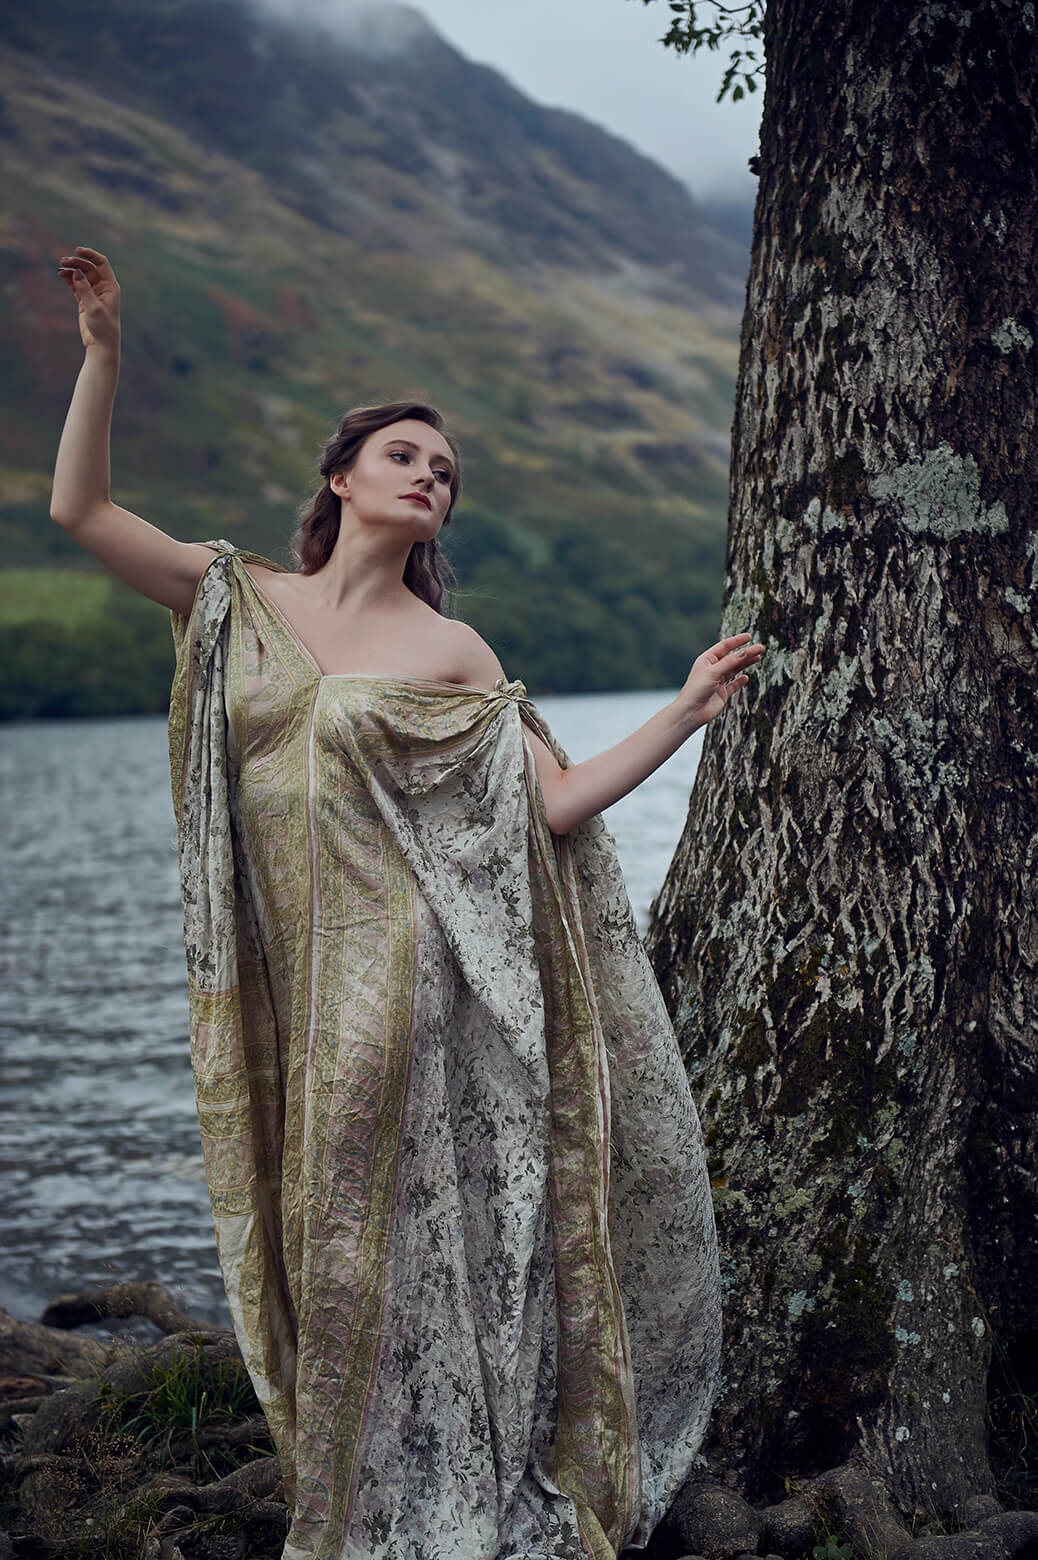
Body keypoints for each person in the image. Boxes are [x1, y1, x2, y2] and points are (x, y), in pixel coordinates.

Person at [52, 246, 764, 1560]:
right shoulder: (237, 601)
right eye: (404, 458)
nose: (429, 477)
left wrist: (681, 712)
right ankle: (368, 1472)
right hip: (280, 978)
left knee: (373, 1233)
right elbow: (83, 516)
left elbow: (549, 807)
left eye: (444, 471)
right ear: (340, 480)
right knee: (314, 1224)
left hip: (407, 972)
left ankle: (409, 1500)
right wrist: (101, 353)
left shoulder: (451, 655)